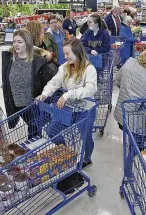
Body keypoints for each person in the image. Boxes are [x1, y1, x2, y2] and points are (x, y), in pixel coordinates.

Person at [36, 39, 97, 168]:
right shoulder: (64, 67)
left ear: (77, 52)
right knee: (52, 130)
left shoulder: (89, 69)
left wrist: (68, 94)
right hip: (67, 108)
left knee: (85, 137)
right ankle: (65, 153)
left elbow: (90, 89)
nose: (65, 57)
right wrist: (44, 94)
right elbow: (54, 82)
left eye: (68, 53)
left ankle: (87, 158)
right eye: (64, 54)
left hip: (85, 110)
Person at [2, 30, 57, 133]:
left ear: (27, 43)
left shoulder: (38, 62)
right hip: (17, 106)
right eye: (14, 41)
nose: (16, 45)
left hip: (33, 106)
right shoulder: (9, 59)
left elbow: (48, 84)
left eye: (20, 42)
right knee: (34, 131)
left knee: (36, 131)